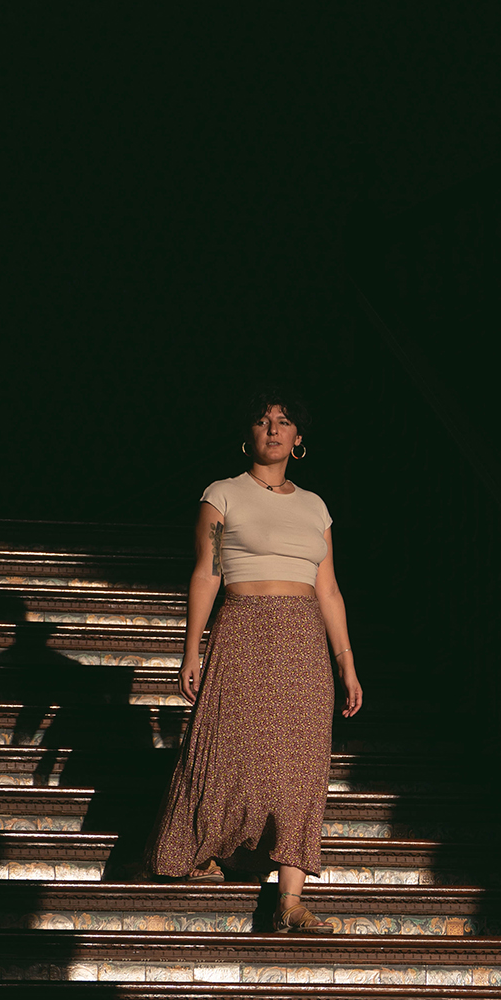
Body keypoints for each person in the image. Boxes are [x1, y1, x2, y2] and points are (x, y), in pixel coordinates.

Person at [144, 390, 363, 933]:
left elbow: (330, 590)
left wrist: (346, 663)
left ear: (298, 438)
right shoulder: (222, 494)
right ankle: (209, 845)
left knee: (301, 764)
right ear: (249, 434)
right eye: (264, 421)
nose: (273, 429)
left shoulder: (316, 506)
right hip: (244, 627)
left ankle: (290, 899)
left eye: (284, 422)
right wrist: (192, 648)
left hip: (304, 638)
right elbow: (207, 572)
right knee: (231, 749)